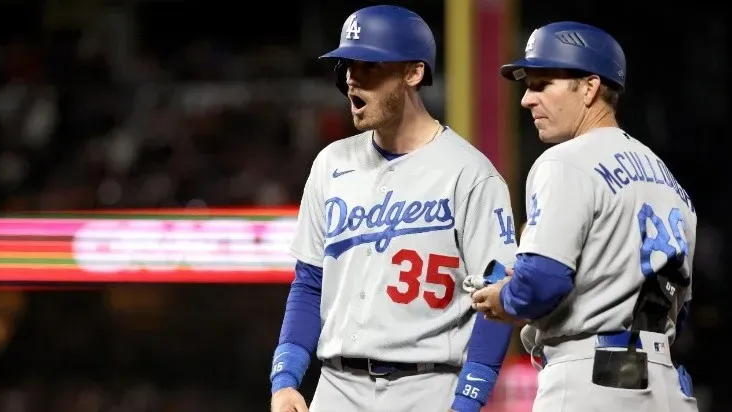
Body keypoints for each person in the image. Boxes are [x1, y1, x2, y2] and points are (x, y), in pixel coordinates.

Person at [269, 4, 519, 412]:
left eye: (369, 66)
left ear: (413, 73)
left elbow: (495, 298)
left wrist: (469, 400)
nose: (351, 78)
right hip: (336, 387)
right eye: (348, 65)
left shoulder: (470, 174)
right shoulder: (331, 164)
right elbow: (310, 282)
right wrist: (285, 379)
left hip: (429, 387)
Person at [470, 21, 698, 412]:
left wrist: (505, 298)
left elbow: (540, 284)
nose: (526, 99)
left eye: (542, 84)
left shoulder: (566, 161)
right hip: (667, 385)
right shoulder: (670, 183)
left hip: (590, 381)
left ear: (590, 87)